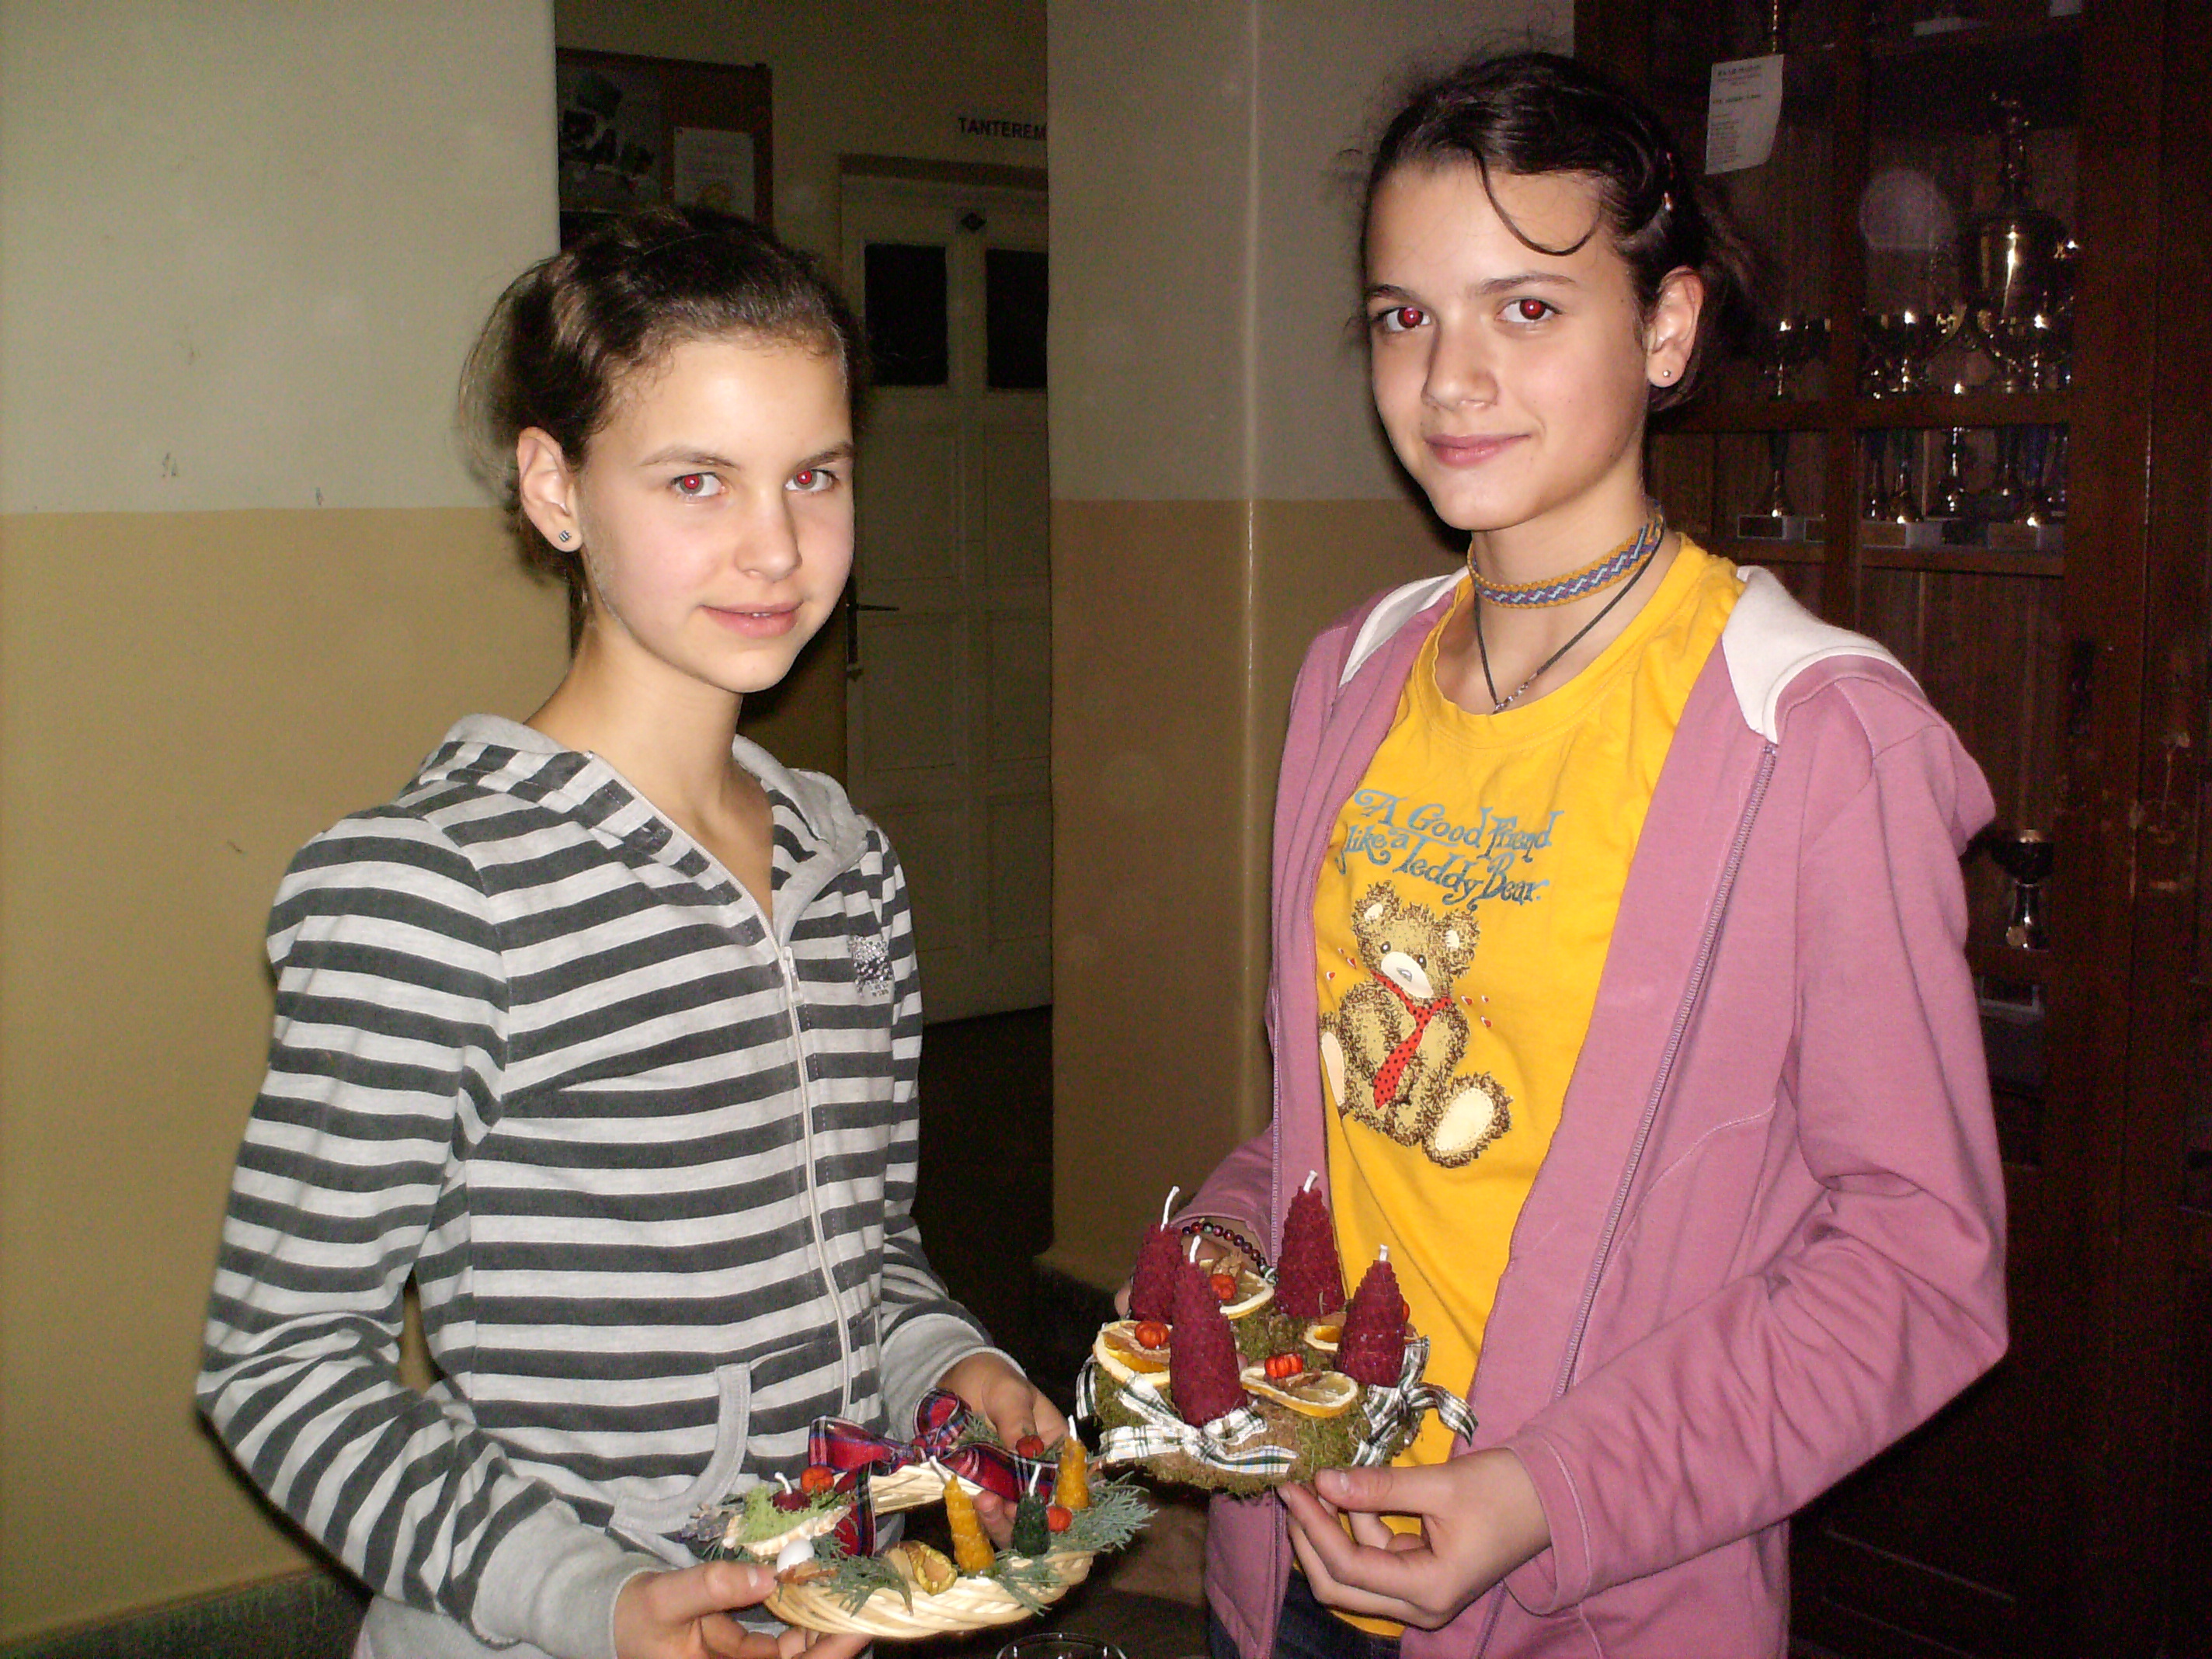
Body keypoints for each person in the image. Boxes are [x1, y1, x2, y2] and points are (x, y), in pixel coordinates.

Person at [1168, 50, 2009, 1659]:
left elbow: (1917, 1263)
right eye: (1404, 316)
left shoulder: (1814, 739)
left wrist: (1539, 1494)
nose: (1450, 380)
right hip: (1289, 1556)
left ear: (1668, 328)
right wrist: (1224, 1241)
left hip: (1588, 1593)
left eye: (1528, 308)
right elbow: (1341, 1133)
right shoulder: (1351, 678)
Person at [198, 206, 1062, 1659]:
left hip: (818, 1598)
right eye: (697, 481)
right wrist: (588, 1598)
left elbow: (860, 1252)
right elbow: (279, 1365)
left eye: (815, 475)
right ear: (557, 489)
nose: (776, 547)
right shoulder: (434, 893)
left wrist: (941, 1364)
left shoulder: (847, 866)